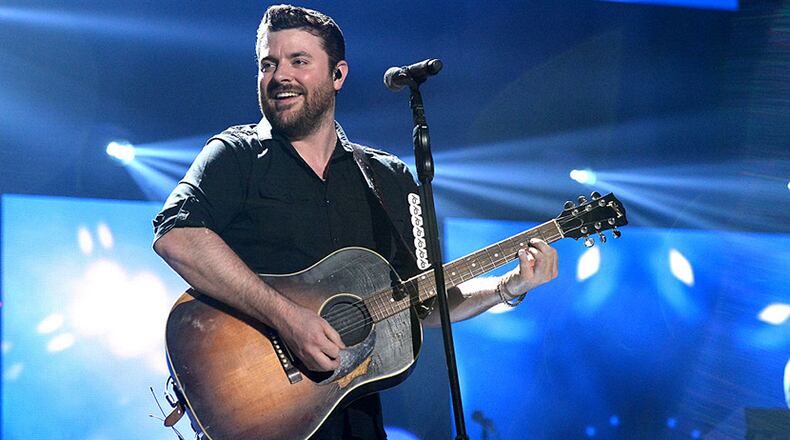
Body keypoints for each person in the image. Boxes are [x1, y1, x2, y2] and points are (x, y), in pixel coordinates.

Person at [152, 4, 558, 439]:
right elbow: (176, 236)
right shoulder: (235, 154)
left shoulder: (388, 178)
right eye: (268, 64)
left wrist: (507, 286)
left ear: (338, 75)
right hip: (258, 412)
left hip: (355, 423)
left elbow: (422, 300)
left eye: (298, 61)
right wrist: (287, 318)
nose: (279, 75)